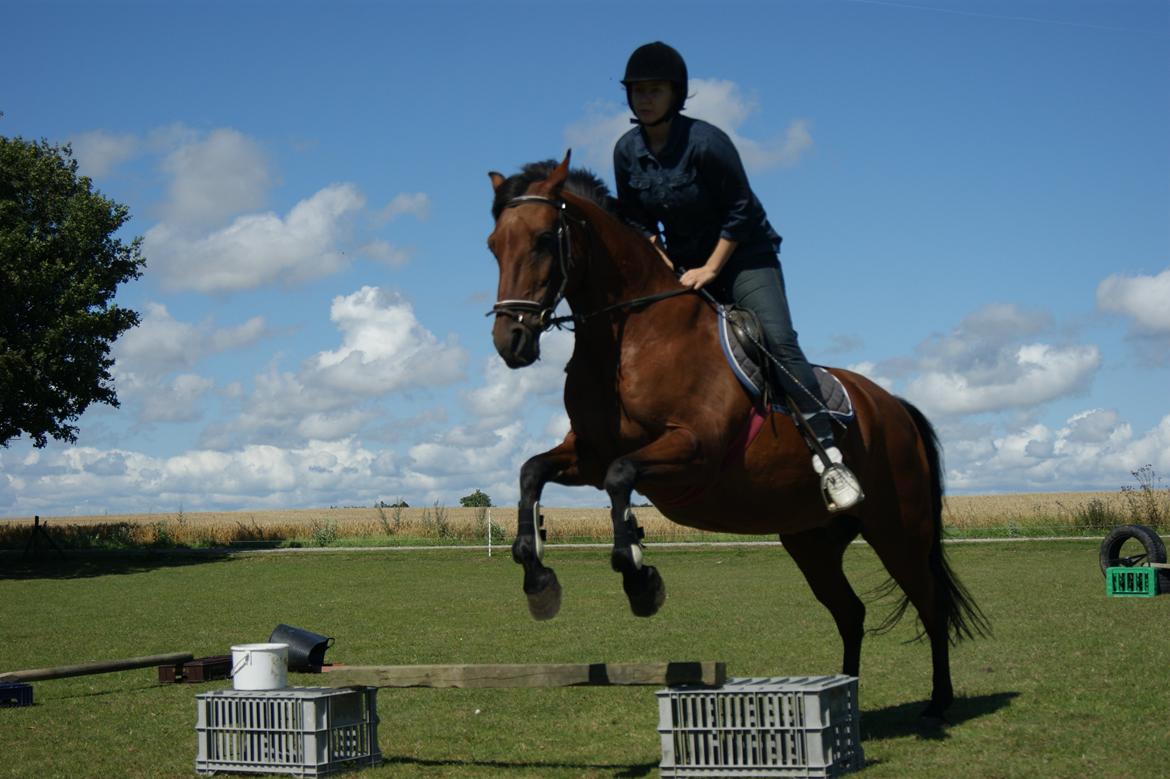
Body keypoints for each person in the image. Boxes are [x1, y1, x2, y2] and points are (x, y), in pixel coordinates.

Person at [612, 41, 863, 511]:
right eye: (636, 91)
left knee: (776, 338)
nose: (644, 99)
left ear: (676, 93)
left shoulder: (706, 142)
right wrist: (666, 265)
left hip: (746, 254)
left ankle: (830, 457)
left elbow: (740, 211)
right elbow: (637, 220)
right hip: (684, 267)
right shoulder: (626, 151)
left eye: (654, 90)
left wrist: (710, 269)